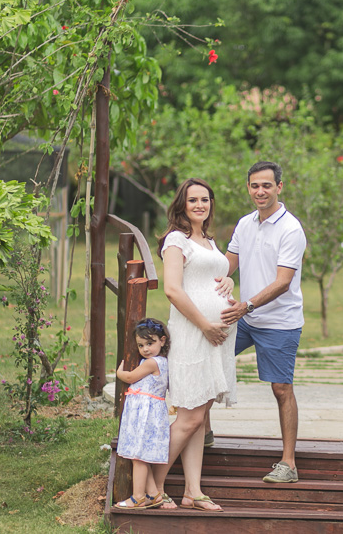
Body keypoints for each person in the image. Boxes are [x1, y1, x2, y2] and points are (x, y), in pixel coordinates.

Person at [218, 161, 307, 484]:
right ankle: (203, 433)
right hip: (244, 315)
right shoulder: (245, 224)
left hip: (279, 321)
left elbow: (283, 281)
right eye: (254, 185)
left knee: (281, 388)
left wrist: (248, 305)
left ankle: (288, 464)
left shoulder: (291, 230)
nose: (260, 191)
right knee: (208, 357)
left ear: (279, 188)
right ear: (248, 188)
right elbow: (229, 263)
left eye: (266, 185)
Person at [151, 178, 236, 512]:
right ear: (182, 205)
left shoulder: (210, 241)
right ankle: (153, 488)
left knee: (200, 416)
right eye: (193, 200)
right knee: (188, 417)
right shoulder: (176, 240)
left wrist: (228, 281)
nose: (200, 205)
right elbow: (172, 289)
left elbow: (211, 279)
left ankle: (193, 491)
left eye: (205, 199)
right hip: (193, 334)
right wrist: (204, 326)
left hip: (215, 338)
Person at [113, 318, 171, 510]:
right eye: (141, 345)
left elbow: (130, 377)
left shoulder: (153, 362)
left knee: (138, 456)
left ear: (162, 340)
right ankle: (153, 494)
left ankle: (138, 497)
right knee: (141, 455)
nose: (145, 349)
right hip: (146, 413)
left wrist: (119, 372)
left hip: (147, 414)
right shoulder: (156, 361)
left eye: (150, 343)